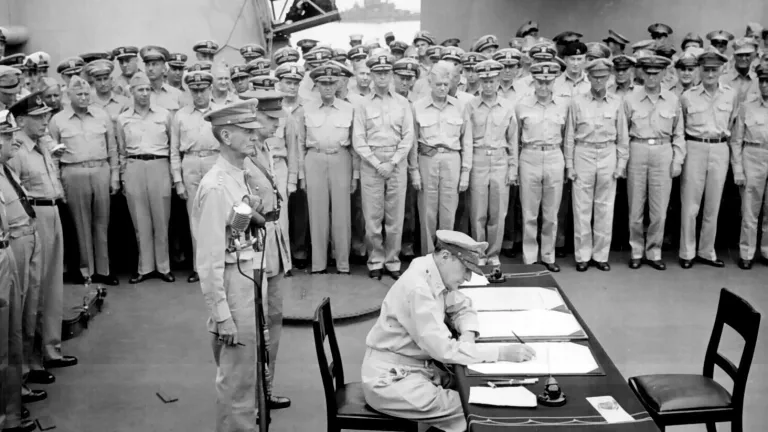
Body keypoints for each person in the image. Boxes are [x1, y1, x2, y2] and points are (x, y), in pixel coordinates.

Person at [362, 229, 536, 432]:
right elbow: (444, 350)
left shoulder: (432, 270)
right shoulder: (418, 288)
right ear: (446, 257)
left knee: (476, 388)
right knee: (472, 406)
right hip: (392, 380)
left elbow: (462, 306)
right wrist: (501, 353)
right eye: (466, 269)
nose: (469, 278)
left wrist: (467, 336)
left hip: (417, 367)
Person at [192, 97, 267, 432]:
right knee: (236, 384)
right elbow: (208, 261)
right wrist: (222, 316)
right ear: (225, 136)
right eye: (246, 131)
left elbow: (235, 228)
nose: (256, 136)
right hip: (234, 290)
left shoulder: (240, 175)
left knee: (249, 376)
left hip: (249, 279)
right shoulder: (215, 186)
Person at [8, 91, 79, 383]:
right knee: (33, 291)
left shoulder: (43, 145)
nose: (43, 122)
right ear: (21, 120)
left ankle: (51, 350)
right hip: (33, 217)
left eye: (45, 116)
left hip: (52, 211)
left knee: (52, 287)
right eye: (37, 118)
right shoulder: (16, 149)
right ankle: (31, 362)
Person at [241, 91, 292, 410]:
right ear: (253, 118)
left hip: (272, 239)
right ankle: (252, 390)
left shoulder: (264, 149)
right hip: (253, 245)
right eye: (270, 119)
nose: (276, 125)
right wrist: (253, 216)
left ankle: (267, 387)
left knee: (274, 316)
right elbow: (232, 213)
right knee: (254, 320)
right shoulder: (241, 158)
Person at [48, 76, 119, 286]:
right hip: (73, 172)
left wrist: (114, 176)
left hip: (100, 170)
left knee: (102, 223)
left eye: (87, 93)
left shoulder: (101, 116)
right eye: (79, 94)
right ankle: (86, 270)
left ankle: (104, 270)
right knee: (80, 224)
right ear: (68, 96)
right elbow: (52, 156)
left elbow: (112, 147)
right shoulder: (57, 120)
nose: (84, 97)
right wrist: (57, 184)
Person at [353, 54, 414, 280]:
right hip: (372, 163)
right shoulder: (362, 105)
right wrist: (379, 163)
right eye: (377, 73)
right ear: (370, 75)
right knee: (372, 218)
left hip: (396, 163)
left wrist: (393, 162)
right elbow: (358, 139)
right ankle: (375, 261)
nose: (381, 77)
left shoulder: (402, 103)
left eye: (386, 73)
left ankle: (393, 261)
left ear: (391, 75)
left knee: (395, 218)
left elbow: (408, 137)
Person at [565, 58, 629, 272]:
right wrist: (570, 165)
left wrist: (621, 164)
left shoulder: (617, 102)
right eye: (595, 77)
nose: (599, 81)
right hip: (584, 151)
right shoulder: (577, 101)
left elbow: (622, 136)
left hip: (608, 152)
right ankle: (582, 255)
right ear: (588, 78)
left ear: (609, 77)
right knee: (582, 208)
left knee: (604, 207)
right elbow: (570, 136)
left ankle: (601, 255)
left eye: (603, 77)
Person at [678, 48, 738, 269]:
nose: (710, 74)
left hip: (720, 147)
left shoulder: (731, 95)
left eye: (714, 70)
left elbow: (733, 123)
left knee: (712, 203)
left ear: (721, 70)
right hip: (695, 146)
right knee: (690, 204)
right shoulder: (687, 96)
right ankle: (687, 252)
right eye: (706, 70)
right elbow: (681, 127)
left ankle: (706, 251)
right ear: (699, 71)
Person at [623, 55, 685, 270]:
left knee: (659, 209)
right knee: (636, 207)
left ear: (663, 74)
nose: (651, 77)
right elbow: (622, 132)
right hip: (637, 149)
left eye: (656, 73)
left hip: (663, 150)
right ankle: (636, 251)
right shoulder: (630, 99)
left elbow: (679, 133)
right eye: (647, 72)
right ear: (642, 73)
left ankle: (654, 251)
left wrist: (678, 159)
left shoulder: (672, 99)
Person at [116, 72, 175, 284]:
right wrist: (122, 176)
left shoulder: (164, 115)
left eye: (147, 89)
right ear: (131, 92)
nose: (144, 93)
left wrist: (172, 174)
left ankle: (164, 266)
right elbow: (121, 150)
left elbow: (173, 145)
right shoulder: (123, 118)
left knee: (161, 219)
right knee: (140, 221)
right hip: (134, 166)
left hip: (159, 165)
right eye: (139, 89)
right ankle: (145, 267)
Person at [297, 64, 356, 274]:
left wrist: (355, 174)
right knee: (317, 213)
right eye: (323, 83)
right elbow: (300, 143)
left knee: (342, 215)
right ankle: (318, 264)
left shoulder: (349, 108)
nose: (328, 87)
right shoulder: (306, 109)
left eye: (332, 83)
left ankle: (342, 264)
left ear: (338, 83)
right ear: (317, 85)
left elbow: (355, 145)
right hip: (315, 159)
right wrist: (302, 175)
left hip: (341, 158)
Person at [0, 109, 37, 432]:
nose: (12, 142)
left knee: (13, 332)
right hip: (6, 249)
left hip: (12, 248)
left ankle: (12, 410)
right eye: (6, 136)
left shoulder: (4, 171)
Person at [516, 62, 569, 272]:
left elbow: (567, 135)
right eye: (540, 82)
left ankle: (548, 255)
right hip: (530, 155)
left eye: (548, 82)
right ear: (533, 82)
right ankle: (530, 258)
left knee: (551, 213)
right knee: (529, 212)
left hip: (555, 154)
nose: (544, 87)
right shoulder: (522, 105)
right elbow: (516, 136)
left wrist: (567, 163)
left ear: (554, 81)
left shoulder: (563, 105)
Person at [170, 70, 220, 284]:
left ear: (210, 89)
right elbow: (174, 150)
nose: (199, 95)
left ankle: (218, 265)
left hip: (214, 161)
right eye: (195, 91)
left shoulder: (220, 112)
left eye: (203, 90)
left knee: (218, 215)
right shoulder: (181, 116)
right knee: (195, 217)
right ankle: (199, 268)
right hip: (190, 163)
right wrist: (178, 181)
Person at [466, 60, 518, 267]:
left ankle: (494, 252)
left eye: (492, 81)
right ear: (479, 81)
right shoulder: (470, 105)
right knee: (478, 211)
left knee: (498, 211)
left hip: (499, 159)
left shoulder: (507, 106)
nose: (488, 85)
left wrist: (513, 168)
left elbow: (513, 138)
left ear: (498, 81)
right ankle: (479, 252)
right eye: (485, 81)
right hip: (478, 158)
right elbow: (466, 139)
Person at [731, 65, 768, 269]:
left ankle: (767, 250)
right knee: (749, 209)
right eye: (761, 81)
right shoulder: (747, 106)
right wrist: (738, 168)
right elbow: (736, 140)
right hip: (752, 155)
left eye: (767, 81)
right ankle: (747, 252)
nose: (764, 85)